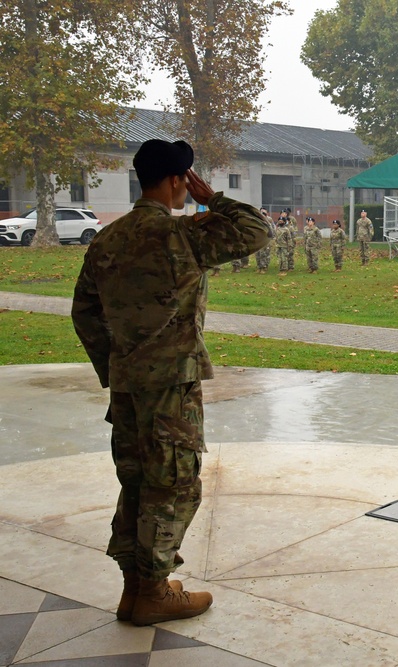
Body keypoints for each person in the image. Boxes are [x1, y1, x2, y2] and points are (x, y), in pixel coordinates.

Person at [71, 139, 272, 626]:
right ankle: (155, 591)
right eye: (188, 178)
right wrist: (216, 199)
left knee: (137, 481)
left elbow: (85, 313)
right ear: (180, 180)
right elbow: (258, 230)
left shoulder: (108, 239)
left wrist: (118, 363)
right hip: (171, 385)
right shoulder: (180, 236)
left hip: (127, 387)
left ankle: (135, 589)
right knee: (175, 484)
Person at [255, 207, 274, 273]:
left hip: (265, 239)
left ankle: (264, 267)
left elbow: (272, 229)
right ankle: (259, 266)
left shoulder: (269, 220)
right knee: (258, 254)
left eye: (264, 213)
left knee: (264, 253)